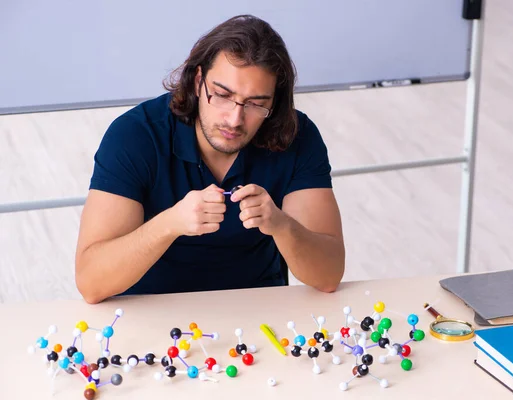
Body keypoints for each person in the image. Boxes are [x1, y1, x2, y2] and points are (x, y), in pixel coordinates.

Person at [74, 15, 345, 304]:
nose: (234, 118)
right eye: (222, 95)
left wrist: (282, 224)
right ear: (197, 80)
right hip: (150, 308)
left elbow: (328, 276)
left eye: (256, 104)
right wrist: (169, 224)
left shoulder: (297, 135)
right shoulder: (135, 135)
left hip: (258, 308)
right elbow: (91, 283)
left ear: (274, 103)